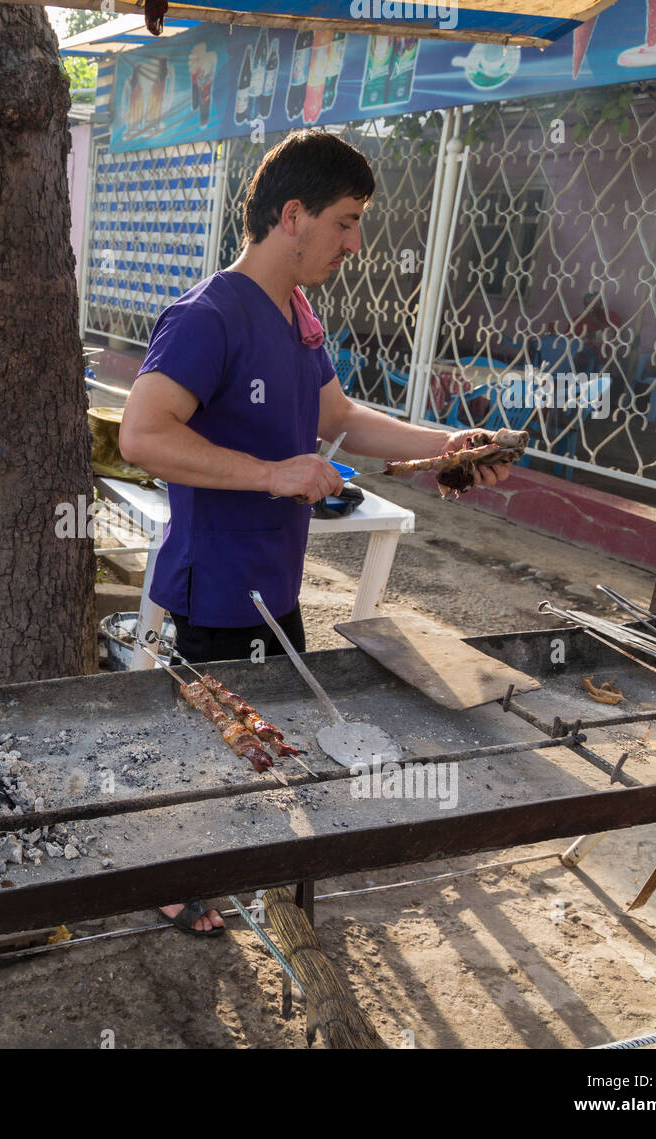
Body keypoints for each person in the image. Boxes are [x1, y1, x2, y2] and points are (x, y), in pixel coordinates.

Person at [118, 129, 514, 935]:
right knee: (208, 746)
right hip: (216, 585)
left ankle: (250, 867)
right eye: (345, 221)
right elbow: (142, 434)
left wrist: (443, 444)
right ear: (291, 215)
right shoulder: (207, 315)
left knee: (267, 741)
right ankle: (170, 878)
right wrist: (273, 473)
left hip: (276, 584)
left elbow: (337, 416)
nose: (355, 243)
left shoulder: (298, 312)